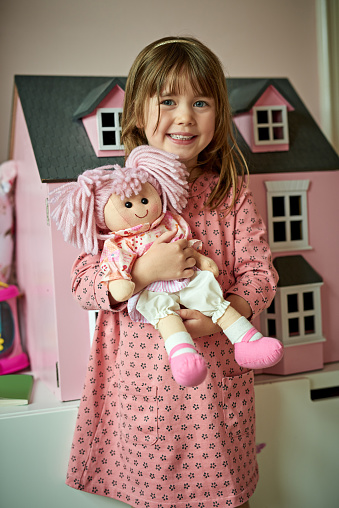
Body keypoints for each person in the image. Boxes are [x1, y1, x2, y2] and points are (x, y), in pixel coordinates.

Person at [65, 36, 279, 508]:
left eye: (199, 101)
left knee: (228, 498)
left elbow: (259, 272)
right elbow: (83, 284)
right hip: (143, 398)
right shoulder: (114, 193)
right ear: (139, 113)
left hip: (215, 398)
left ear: (217, 114)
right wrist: (140, 272)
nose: (185, 116)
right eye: (168, 101)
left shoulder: (229, 194)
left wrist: (233, 309)